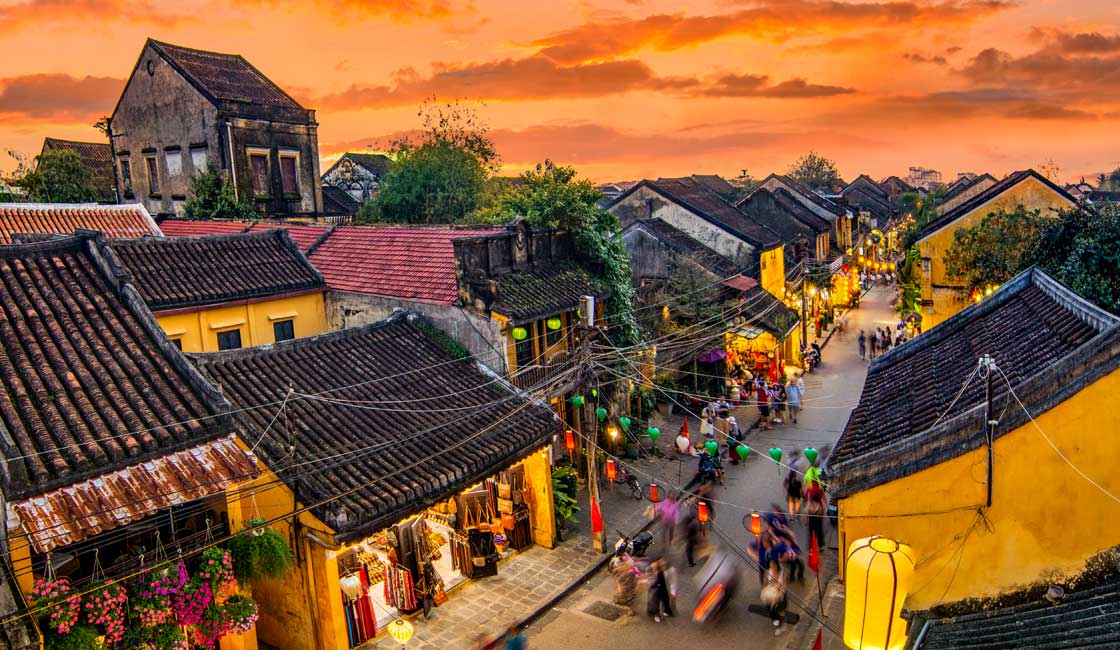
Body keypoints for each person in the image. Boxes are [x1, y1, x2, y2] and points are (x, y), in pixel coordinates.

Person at [646, 558, 673, 623]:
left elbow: (661, 580)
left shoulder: (661, 571)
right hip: (656, 589)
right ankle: (656, 614)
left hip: (661, 588)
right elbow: (651, 580)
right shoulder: (651, 569)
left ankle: (666, 611)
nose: (662, 562)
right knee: (655, 602)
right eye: (660, 562)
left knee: (665, 600)